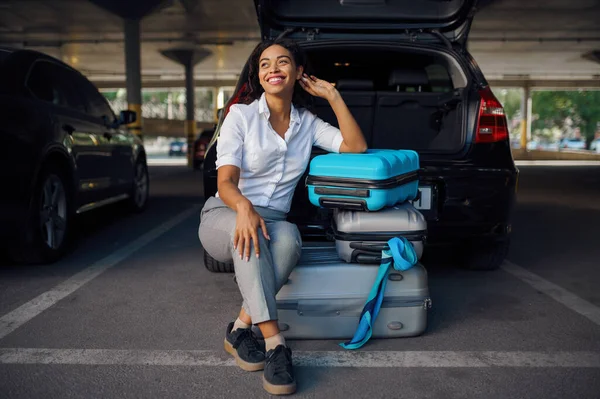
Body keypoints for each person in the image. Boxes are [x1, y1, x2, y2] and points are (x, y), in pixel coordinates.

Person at [198, 38, 367, 395]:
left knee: (289, 237)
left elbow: (355, 147)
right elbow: (225, 182)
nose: (273, 68)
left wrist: (333, 97)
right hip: (224, 213)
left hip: (273, 222)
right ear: (258, 76)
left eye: (283, 62)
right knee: (253, 234)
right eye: (265, 64)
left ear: (299, 72)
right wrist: (244, 208)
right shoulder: (240, 116)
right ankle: (276, 344)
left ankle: (240, 329)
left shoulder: (308, 123)